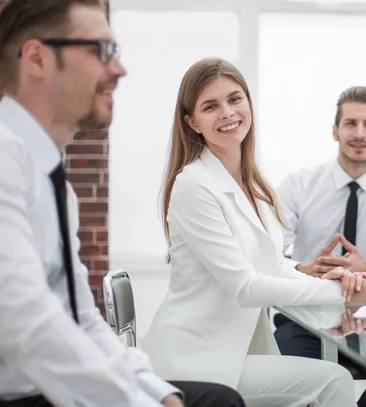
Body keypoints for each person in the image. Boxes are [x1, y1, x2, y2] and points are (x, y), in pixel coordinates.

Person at [0, 1, 246, 407]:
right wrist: (135, 400)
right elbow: (26, 325)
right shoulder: (6, 159)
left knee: (214, 401)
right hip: (21, 392)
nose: (119, 70)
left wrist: (157, 392)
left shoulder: (52, 181)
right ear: (37, 57)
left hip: (42, 384)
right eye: (100, 51)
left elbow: (81, 317)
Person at [141, 58, 366, 407]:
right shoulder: (194, 185)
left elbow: (269, 264)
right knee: (333, 381)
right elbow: (246, 287)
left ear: (248, 103)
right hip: (196, 358)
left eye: (235, 99)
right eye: (210, 106)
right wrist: (346, 293)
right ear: (192, 122)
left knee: (342, 376)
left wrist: (315, 273)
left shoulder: (250, 181)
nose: (227, 113)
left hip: (232, 348)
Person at [273, 86, 366, 407]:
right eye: (350, 123)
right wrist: (304, 268)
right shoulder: (297, 185)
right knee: (295, 380)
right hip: (305, 318)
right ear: (335, 131)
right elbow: (270, 256)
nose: (359, 133)